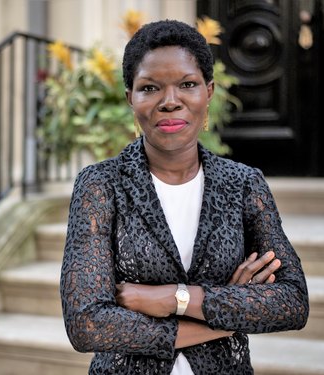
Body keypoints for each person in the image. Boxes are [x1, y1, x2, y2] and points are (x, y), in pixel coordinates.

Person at [60, 19, 309, 374]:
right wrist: (228, 313)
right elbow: (87, 325)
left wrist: (172, 299)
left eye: (187, 84)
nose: (170, 102)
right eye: (150, 88)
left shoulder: (243, 184)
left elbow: (292, 302)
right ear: (130, 97)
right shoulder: (101, 185)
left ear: (209, 91)